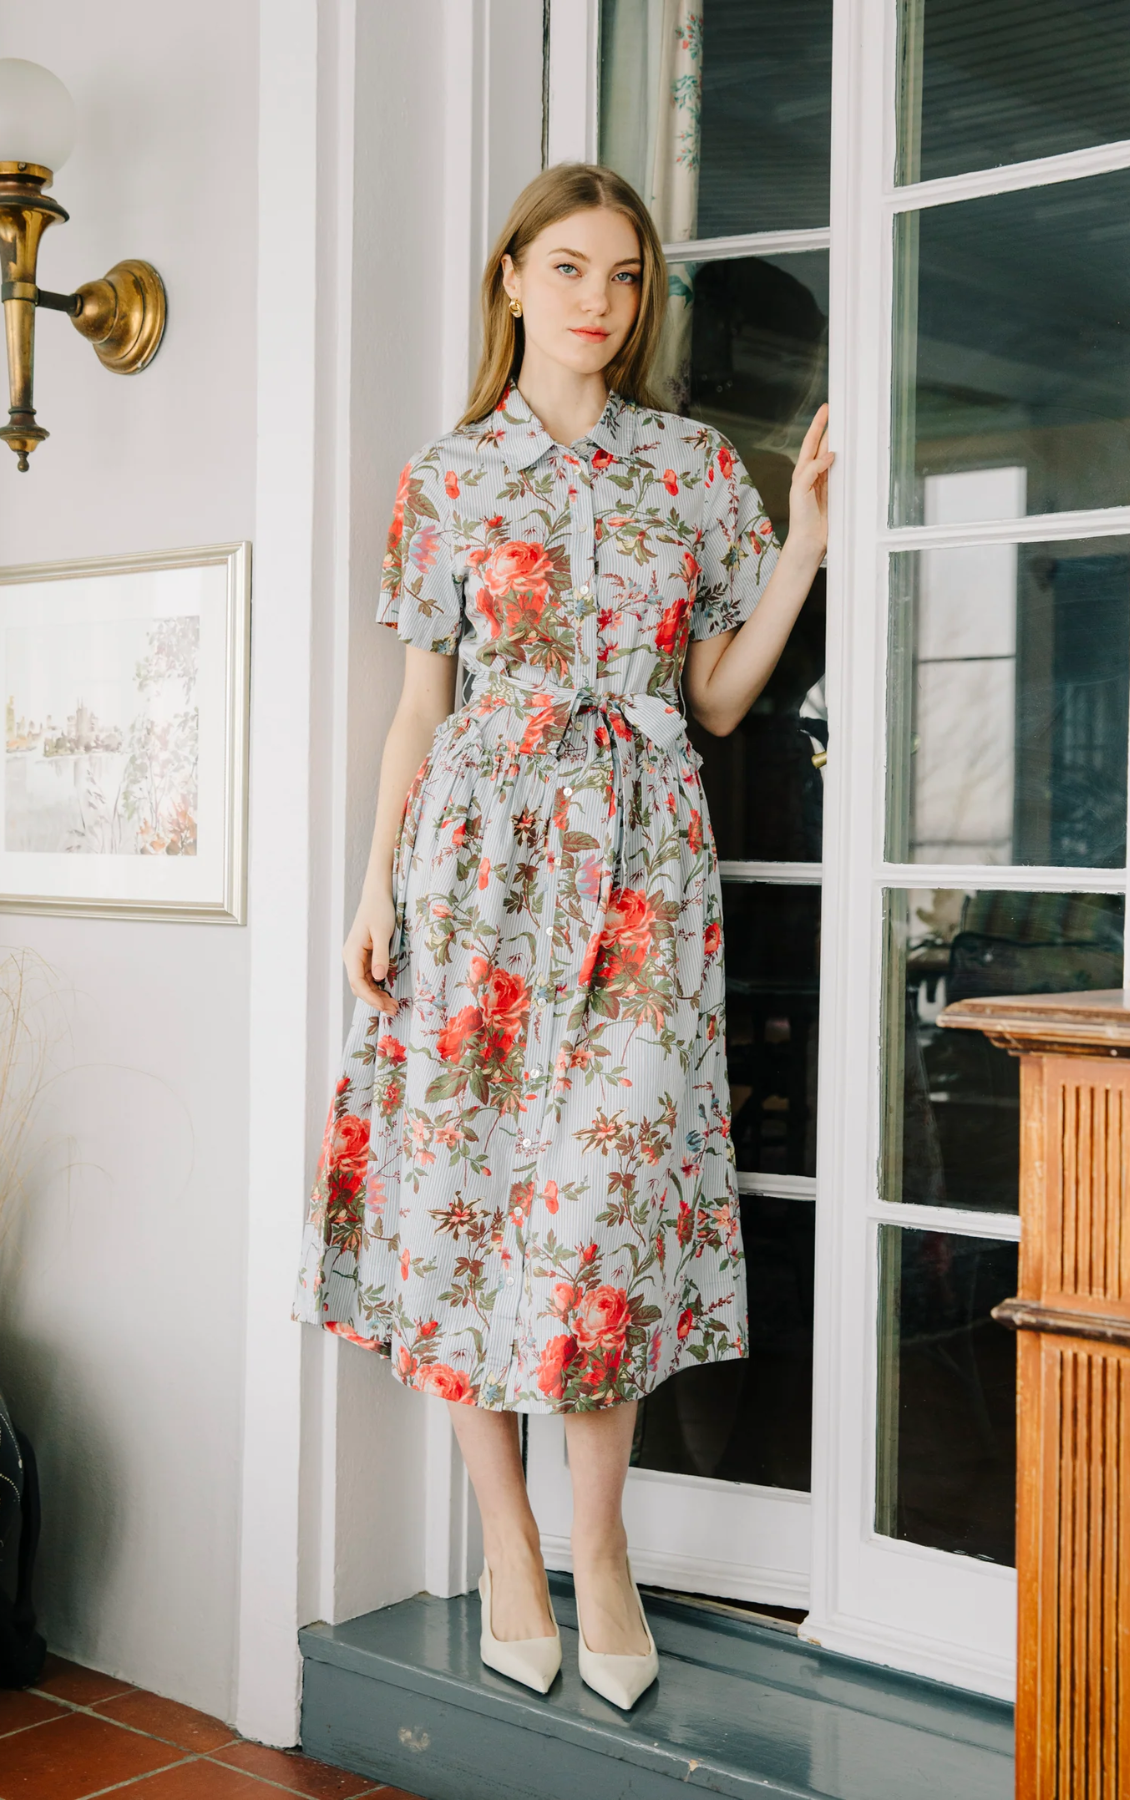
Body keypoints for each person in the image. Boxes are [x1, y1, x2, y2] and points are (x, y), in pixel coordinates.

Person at [294, 162, 832, 1709]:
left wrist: (796, 539)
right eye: (573, 269)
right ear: (514, 280)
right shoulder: (447, 477)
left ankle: (600, 1549)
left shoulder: (692, 470)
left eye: (626, 279)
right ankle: (506, 1542)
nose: (601, 301)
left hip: (644, 872)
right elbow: (421, 709)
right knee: (466, 1193)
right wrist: (375, 886)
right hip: (472, 866)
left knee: (596, 1214)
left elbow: (720, 702)